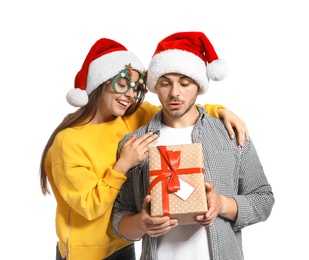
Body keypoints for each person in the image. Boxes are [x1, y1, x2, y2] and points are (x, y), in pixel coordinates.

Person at [40, 37, 249, 260]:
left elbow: (177, 109)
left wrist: (219, 111)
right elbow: (89, 206)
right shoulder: (69, 141)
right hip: (86, 254)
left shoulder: (131, 117)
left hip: (123, 244)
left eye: (135, 88)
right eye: (122, 84)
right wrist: (123, 165)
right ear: (100, 82)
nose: (129, 95)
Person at [112, 31, 275, 260]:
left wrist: (222, 204)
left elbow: (264, 199)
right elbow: (119, 217)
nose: (175, 93)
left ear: (198, 85)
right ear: (155, 87)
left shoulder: (230, 134)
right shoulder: (135, 144)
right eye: (165, 83)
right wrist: (141, 223)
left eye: (185, 83)